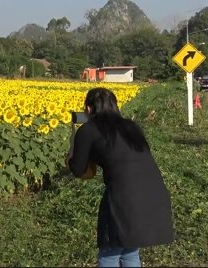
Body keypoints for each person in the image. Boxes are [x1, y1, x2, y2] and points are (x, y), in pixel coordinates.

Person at [67, 87, 174, 267]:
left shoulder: (88, 130)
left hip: (124, 198)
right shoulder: (131, 127)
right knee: (129, 252)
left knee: (109, 253)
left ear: (88, 109)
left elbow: (78, 170)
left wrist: (72, 150)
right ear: (116, 107)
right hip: (154, 193)